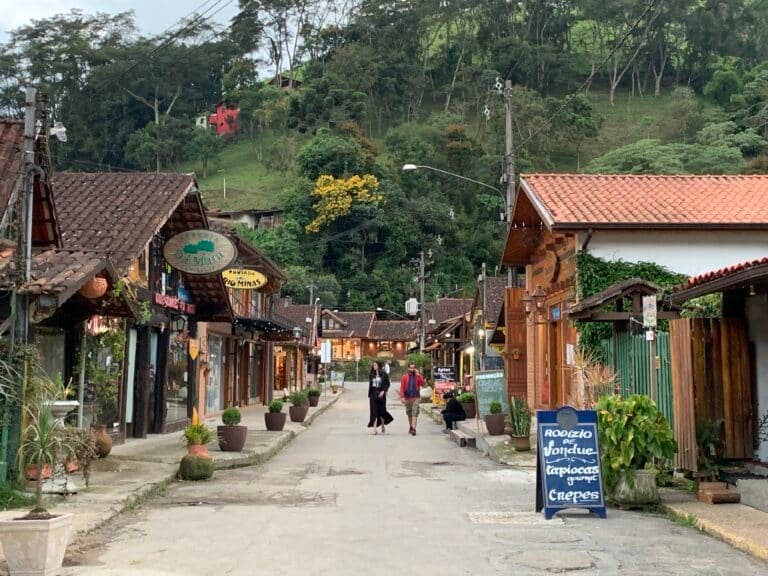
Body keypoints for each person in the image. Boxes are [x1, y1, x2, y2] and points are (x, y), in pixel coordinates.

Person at [368, 361, 393, 435]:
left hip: (381, 395)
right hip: (373, 395)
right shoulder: (371, 374)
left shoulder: (384, 374)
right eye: (373, 364)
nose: (374, 366)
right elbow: (371, 385)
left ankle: (382, 425)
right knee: (374, 412)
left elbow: (388, 384)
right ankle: (374, 429)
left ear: (379, 365)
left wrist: (383, 391)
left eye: (375, 364)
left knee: (382, 411)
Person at [399, 362, 424, 436]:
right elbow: (402, 387)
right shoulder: (404, 377)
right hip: (407, 398)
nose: (412, 369)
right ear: (408, 368)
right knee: (409, 414)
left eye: (413, 368)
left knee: (414, 412)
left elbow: (422, 383)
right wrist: (402, 397)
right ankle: (411, 427)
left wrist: (419, 375)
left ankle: (413, 429)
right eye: (411, 367)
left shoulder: (417, 376)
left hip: (416, 397)